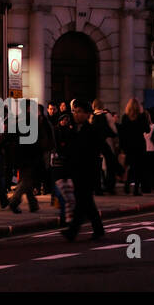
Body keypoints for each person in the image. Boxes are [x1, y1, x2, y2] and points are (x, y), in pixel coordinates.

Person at [61, 100, 105, 241]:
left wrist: (118, 167)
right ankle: (98, 229)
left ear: (87, 114)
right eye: (75, 111)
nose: (76, 114)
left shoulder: (92, 130)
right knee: (86, 202)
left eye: (79, 111)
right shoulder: (72, 130)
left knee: (82, 201)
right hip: (76, 171)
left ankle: (73, 231)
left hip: (89, 171)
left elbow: (105, 148)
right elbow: (68, 151)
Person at [6, 100, 53, 214]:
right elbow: (42, 139)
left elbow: (7, 137)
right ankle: (14, 201)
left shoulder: (16, 120)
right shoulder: (35, 121)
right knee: (26, 180)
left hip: (18, 154)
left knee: (25, 179)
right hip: (31, 155)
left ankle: (33, 204)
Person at [117, 99, 149, 196]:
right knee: (138, 167)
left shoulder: (125, 117)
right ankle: (136, 189)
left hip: (128, 145)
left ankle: (127, 185)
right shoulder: (141, 117)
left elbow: (122, 133)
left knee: (129, 166)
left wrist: (122, 146)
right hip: (139, 144)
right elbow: (147, 129)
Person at [91, 99, 120, 195]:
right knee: (110, 164)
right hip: (106, 142)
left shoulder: (92, 116)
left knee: (96, 167)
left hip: (94, 144)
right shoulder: (107, 115)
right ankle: (110, 186)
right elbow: (114, 130)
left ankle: (97, 188)